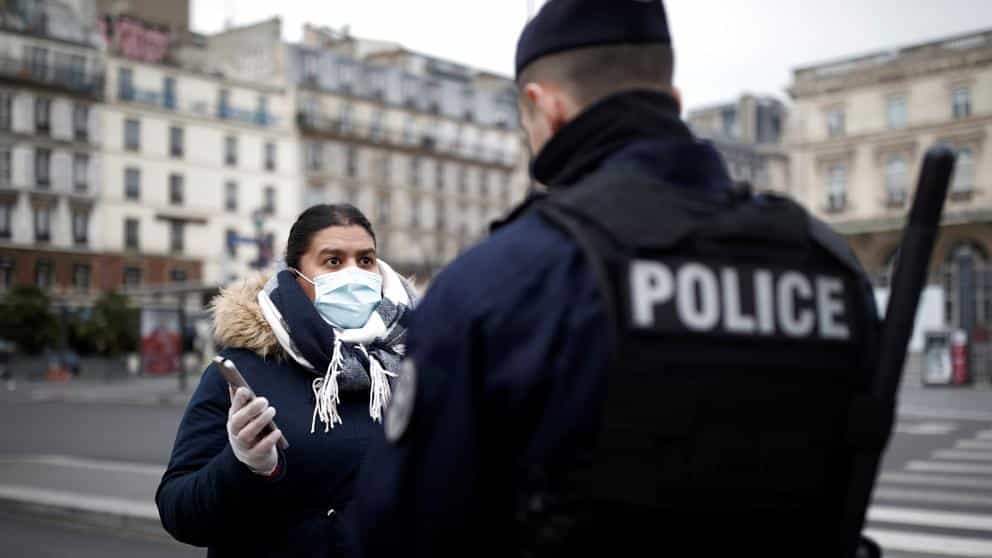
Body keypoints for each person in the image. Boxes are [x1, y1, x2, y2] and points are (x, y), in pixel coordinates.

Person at [350, 1, 880, 556]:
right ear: (672, 102)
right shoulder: (828, 264)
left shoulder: (502, 281)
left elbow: (402, 531)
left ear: (544, 107)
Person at [157, 204, 417, 557]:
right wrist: (242, 465)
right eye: (333, 261)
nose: (354, 273)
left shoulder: (413, 362)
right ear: (296, 276)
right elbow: (179, 513)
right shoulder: (245, 366)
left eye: (365, 260)